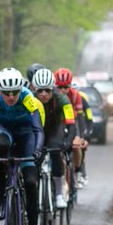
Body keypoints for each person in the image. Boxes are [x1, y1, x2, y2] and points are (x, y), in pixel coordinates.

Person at [0, 67, 45, 225]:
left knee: (31, 183)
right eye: (6, 93)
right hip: (3, 132)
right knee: (1, 147)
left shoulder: (28, 97)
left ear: (20, 90)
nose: (11, 97)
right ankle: (0, 200)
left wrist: (38, 149)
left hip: (26, 136)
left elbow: (38, 128)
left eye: (15, 92)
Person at [29, 68, 75, 209]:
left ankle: (59, 194)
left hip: (55, 130)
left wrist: (68, 142)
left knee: (56, 152)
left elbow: (71, 123)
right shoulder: (29, 99)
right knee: (33, 157)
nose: (43, 94)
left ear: (53, 89)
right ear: (34, 90)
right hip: (38, 131)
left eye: (47, 91)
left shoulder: (62, 99)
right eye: (40, 91)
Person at [54, 68, 90, 188]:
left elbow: (80, 119)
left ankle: (79, 170)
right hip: (58, 123)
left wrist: (82, 138)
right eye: (60, 87)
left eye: (66, 87)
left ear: (70, 85)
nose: (63, 90)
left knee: (75, 145)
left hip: (72, 123)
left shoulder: (75, 95)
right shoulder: (52, 95)